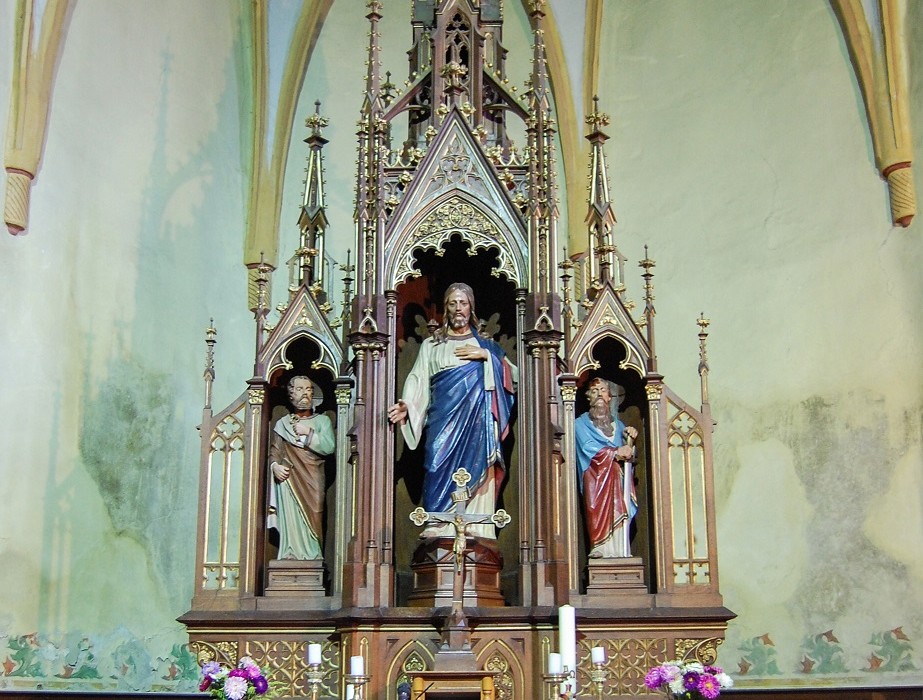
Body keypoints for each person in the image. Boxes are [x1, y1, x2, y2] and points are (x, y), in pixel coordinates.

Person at [388, 282, 516, 539]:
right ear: (446, 308)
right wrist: (408, 405)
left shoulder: (486, 345)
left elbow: (516, 376)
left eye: (463, 303)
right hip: (442, 420)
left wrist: (486, 357)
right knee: (436, 460)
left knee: (480, 462)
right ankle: (437, 521)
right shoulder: (431, 345)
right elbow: (418, 379)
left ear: (471, 308)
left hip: (478, 422)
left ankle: (478, 527)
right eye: (453, 303)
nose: (458, 308)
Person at [267, 375, 335, 560]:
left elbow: (329, 447)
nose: (304, 393)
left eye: (308, 389)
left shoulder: (322, 421)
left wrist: (309, 433)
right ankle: (290, 551)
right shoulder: (283, 424)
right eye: (299, 389)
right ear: (291, 395)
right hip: (289, 478)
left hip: (313, 476)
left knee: (315, 513)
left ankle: (313, 554)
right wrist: (275, 466)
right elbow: (275, 451)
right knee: (290, 516)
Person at [575, 378, 638, 558]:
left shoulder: (619, 425)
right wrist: (616, 452)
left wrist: (630, 440)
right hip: (595, 481)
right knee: (596, 510)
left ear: (610, 397)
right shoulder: (579, 424)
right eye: (594, 391)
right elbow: (587, 448)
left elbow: (629, 456)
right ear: (588, 397)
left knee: (621, 509)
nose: (599, 395)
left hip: (618, 480)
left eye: (603, 390)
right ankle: (599, 546)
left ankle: (621, 550)